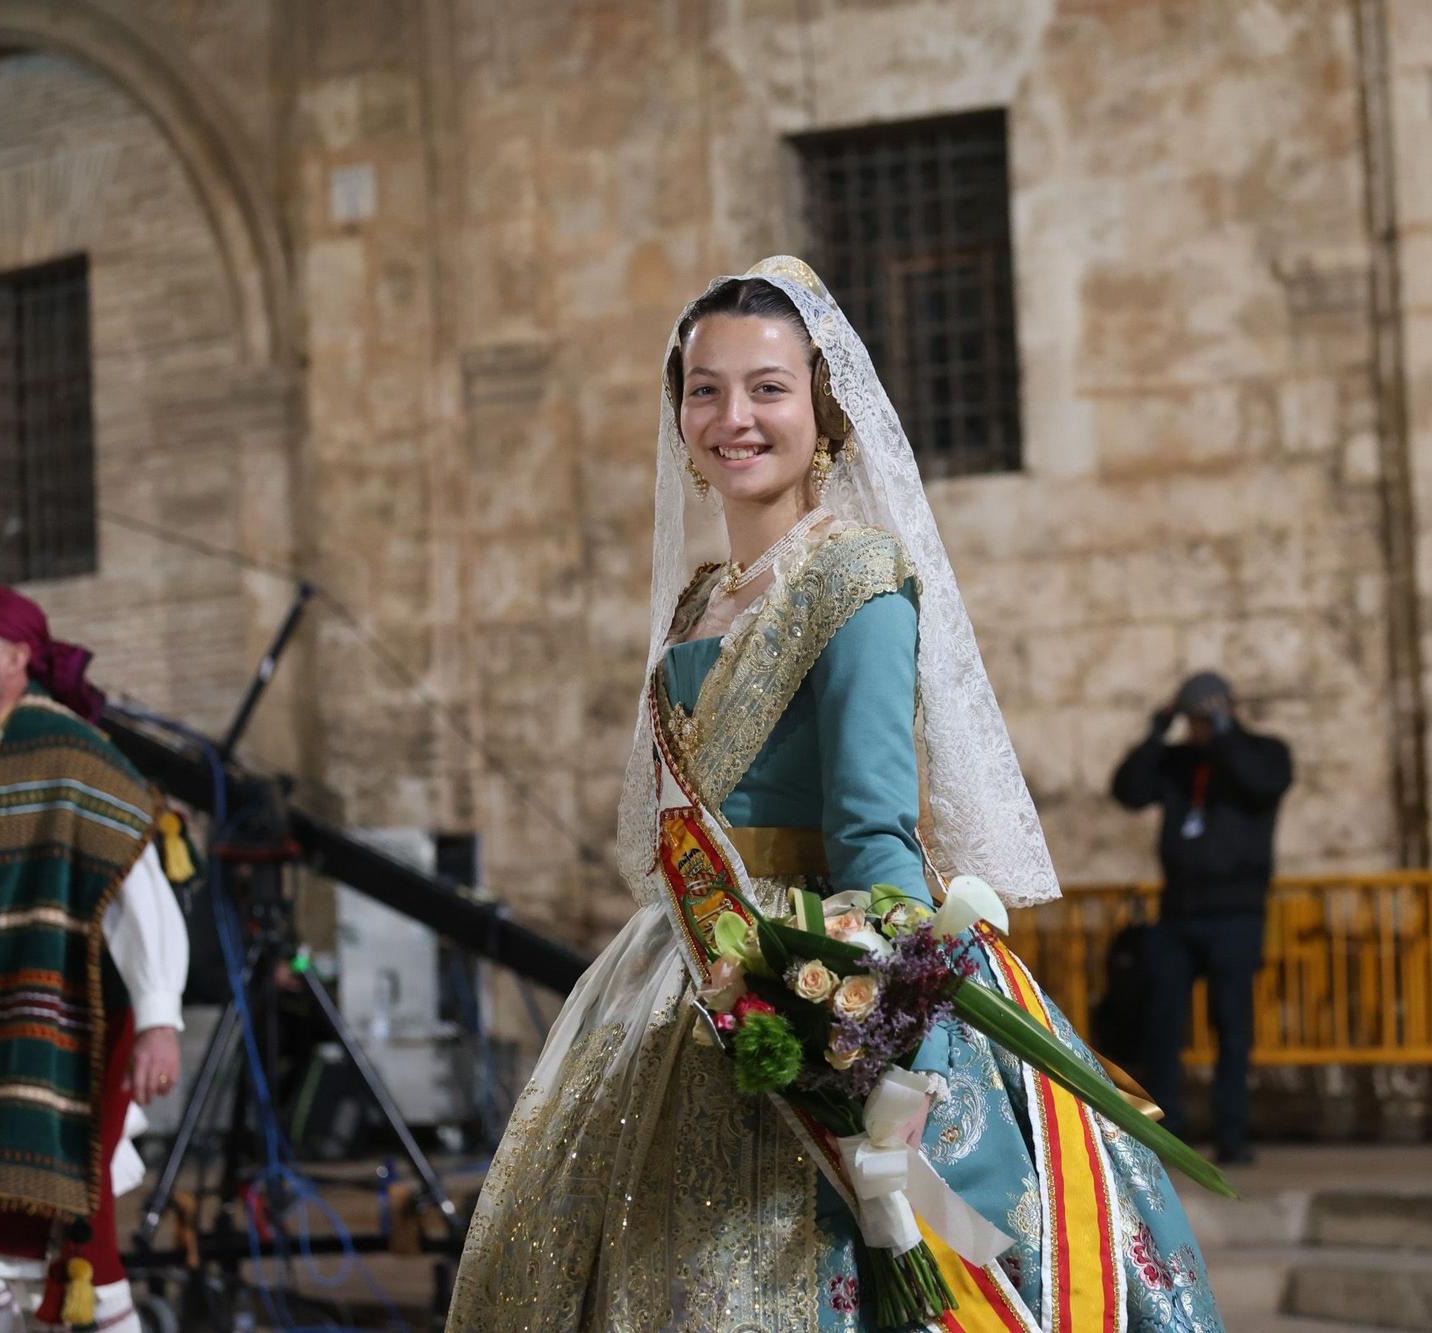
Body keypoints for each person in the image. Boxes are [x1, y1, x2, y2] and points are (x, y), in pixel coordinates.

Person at [447, 259, 1222, 1330]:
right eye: (705, 388)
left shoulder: (857, 577)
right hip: (678, 976)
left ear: (824, 410)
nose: (735, 416)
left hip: (818, 969)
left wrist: (893, 1028)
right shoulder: (696, 600)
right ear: (679, 416)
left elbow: (871, 827)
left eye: (768, 387)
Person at [0, 586, 188, 1333]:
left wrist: (158, 1017)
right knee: (76, 1252)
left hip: (72, 1029)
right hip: (1, 1033)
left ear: (17, 658)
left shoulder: (61, 747)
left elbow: (136, 879)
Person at [1112, 672, 1293, 1165]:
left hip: (1237, 915)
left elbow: (1262, 785)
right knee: (1163, 1025)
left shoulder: (1263, 752)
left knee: (1232, 1028)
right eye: (1191, 719)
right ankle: (1169, 1133)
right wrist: (1156, 735)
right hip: (1179, 914)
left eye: (1202, 718)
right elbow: (1128, 791)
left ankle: (1233, 1134)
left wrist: (1226, 733)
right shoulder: (1176, 762)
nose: (1197, 729)